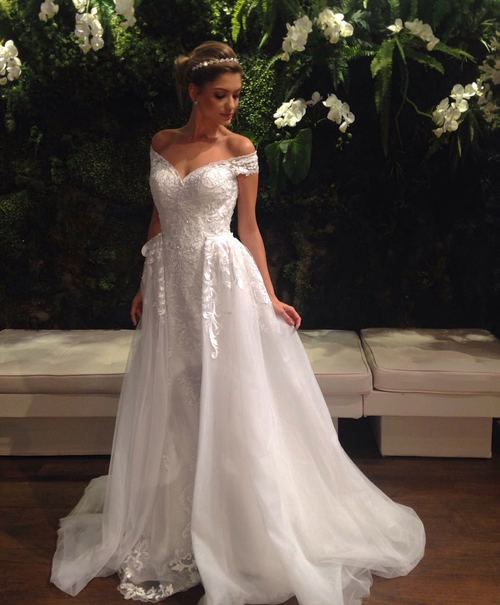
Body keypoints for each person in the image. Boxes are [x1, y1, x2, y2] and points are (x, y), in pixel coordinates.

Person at [50, 40, 425, 605]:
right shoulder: (162, 143)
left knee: (226, 395)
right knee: (175, 393)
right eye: (220, 96)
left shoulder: (240, 149)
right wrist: (144, 281)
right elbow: (159, 215)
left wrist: (269, 297)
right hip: (170, 282)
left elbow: (249, 229)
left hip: (221, 282)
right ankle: (176, 516)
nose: (230, 106)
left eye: (236, 96)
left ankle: (235, 522)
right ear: (194, 93)